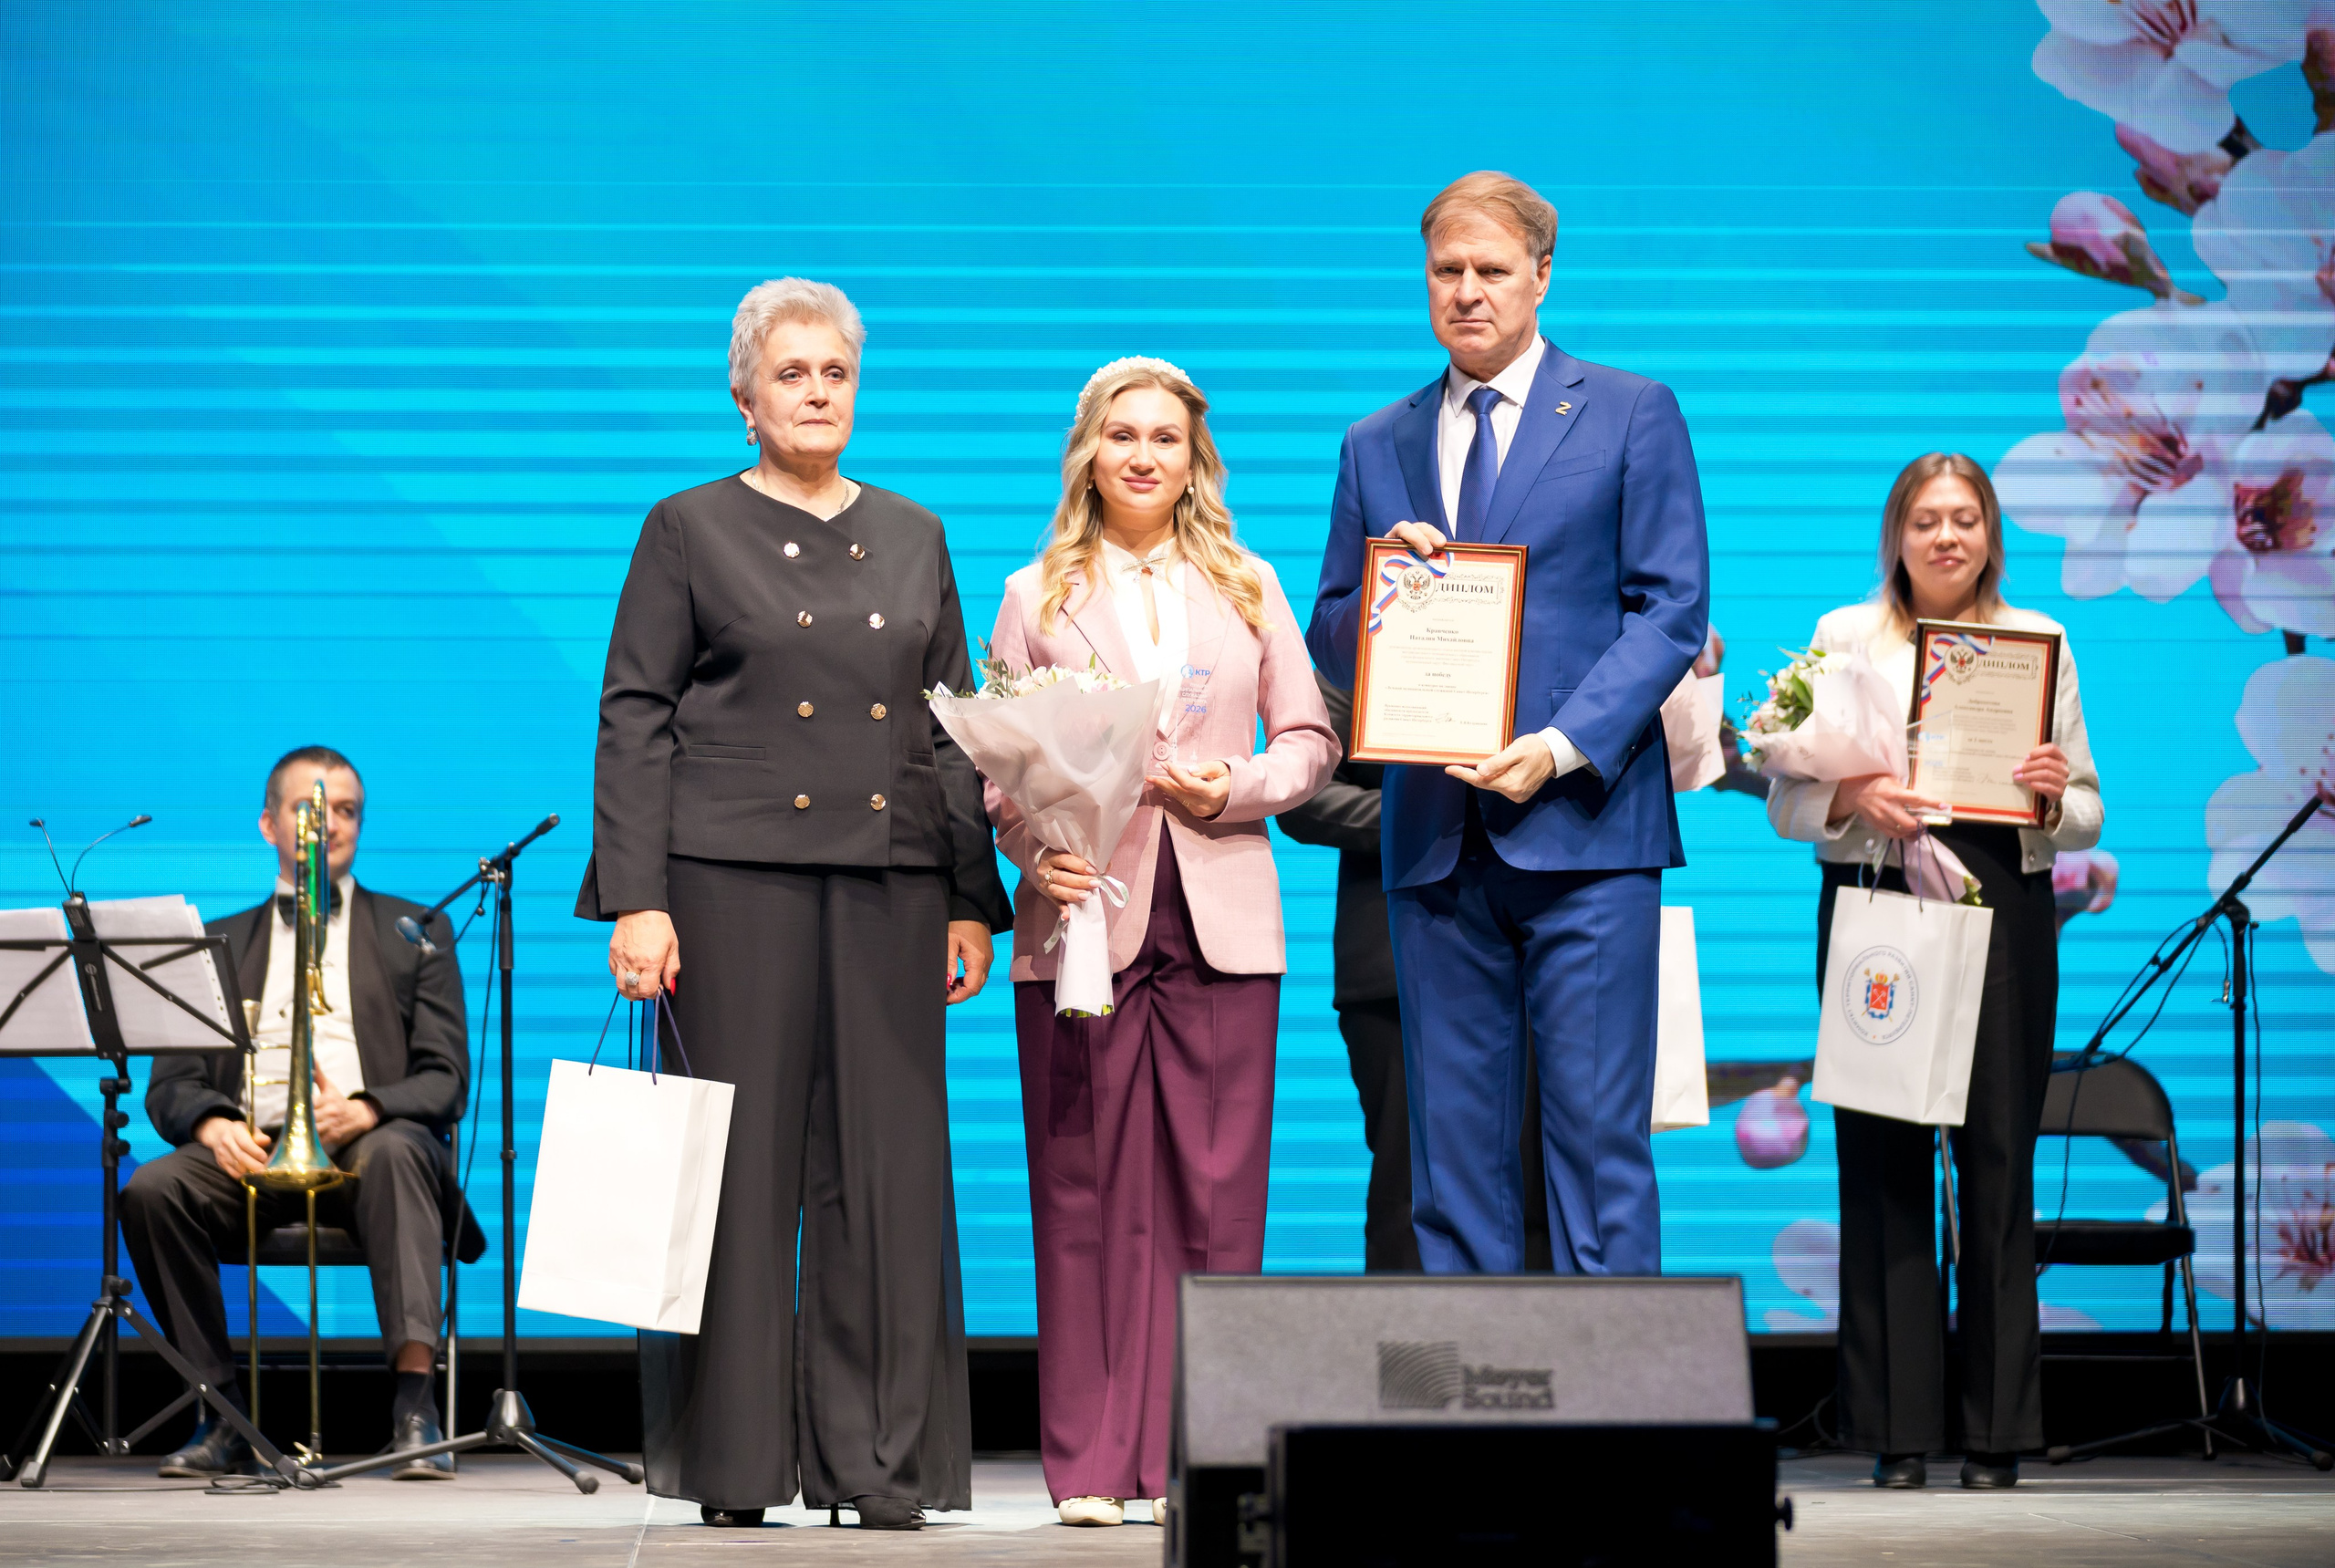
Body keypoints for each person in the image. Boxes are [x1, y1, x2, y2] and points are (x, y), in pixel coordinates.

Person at [578, 278, 1012, 1532]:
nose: (817, 393)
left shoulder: (918, 532)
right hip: (727, 883)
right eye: (793, 374)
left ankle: (879, 1461)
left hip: (890, 883)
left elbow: (948, 731)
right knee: (741, 1169)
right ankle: (736, 1460)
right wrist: (637, 900)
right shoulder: (688, 527)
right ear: (744, 393)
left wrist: (968, 898)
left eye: (835, 373)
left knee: (887, 1168)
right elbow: (635, 716)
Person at [1306, 171, 1709, 1276]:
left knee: (1593, 1147)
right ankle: (1473, 1426)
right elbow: (1328, 629)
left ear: (1541, 275)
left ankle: (1615, 1426)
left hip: (1586, 829)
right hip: (1436, 843)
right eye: (1447, 272)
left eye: (1491, 270)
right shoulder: (1373, 443)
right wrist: (1394, 587)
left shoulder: (1630, 410)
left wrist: (1562, 743)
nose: (1468, 293)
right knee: (1451, 1158)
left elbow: (1670, 609)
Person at [988, 357, 1336, 1527]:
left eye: (1166, 439)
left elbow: (1310, 741)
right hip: (1082, 921)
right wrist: (1040, 850)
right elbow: (998, 774)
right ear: (1088, 451)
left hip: (1222, 915)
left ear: (1196, 459)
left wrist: (1232, 785)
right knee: (1080, 1192)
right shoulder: (1034, 592)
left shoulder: (1248, 585)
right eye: (1121, 436)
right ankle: (1091, 1462)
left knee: (1217, 1196)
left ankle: (1203, 1461)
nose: (1143, 456)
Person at [1766, 452, 2102, 1490]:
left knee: (1996, 1167)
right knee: (1881, 1170)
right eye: (1926, 521)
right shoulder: (1842, 637)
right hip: (1875, 905)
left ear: (1990, 535)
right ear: (1897, 537)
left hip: (2002, 909)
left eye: (1964, 520)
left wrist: (2050, 797)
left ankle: (1997, 1434)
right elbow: (1785, 806)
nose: (1945, 538)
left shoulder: (2036, 640)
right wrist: (1852, 801)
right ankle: (1896, 1429)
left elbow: (2087, 810)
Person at [125, 746, 470, 1480]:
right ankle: (222, 1412)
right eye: (311, 810)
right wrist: (214, 1123)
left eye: (346, 811)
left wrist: (369, 1106)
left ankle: (415, 1405)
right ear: (267, 823)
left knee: (404, 1149)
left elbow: (446, 1080)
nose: (329, 826)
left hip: (365, 1144)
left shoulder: (420, 930)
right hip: (250, 1144)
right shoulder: (209, 937)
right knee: (152, 1190)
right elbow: (170, 1084)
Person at [1275, 674, 1552, 1272]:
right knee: (1411, 1183)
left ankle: (1536, 1359)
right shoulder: (1362, 642)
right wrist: (1435, 812)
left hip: (1541, 948)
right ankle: (1413, 1363)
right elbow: (1301, 794)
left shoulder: (1555, 632)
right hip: (1392, 963)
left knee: (1538, 1185)